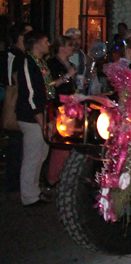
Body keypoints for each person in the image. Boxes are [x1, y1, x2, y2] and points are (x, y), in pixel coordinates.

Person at [16, 31, 52, 206]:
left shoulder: (40, 63)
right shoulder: (27, 62)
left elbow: (46, 88)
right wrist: (41, 120)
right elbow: (31, 94)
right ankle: (29, 196)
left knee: (41, 154)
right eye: (45, 41)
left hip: (42, 114)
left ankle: (34, 190)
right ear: (36, 43)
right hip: (32, 117)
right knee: (32, 156)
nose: (48, 44)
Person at [2, 22, 31, 196]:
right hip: (13, 101)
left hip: (18, 101)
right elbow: (11, 80)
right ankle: (12, 181)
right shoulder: (14, 55)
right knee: (15, 140)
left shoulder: (23, 56)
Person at [46, 35, 78, 187]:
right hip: (58, 105)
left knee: (67, 141)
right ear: (61, 47)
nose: (73, 48)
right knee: (60, 143)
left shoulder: (69, 64)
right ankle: (53, 177)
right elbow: (50, 85)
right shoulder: (52, 64)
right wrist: (67, 76)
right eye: (70, 45)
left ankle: (63, 174)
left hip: (69, 106)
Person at [65, 27, 89, 93]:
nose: (76, 42)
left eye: (78, 39)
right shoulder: (62, 57)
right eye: (73, 39)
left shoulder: (86, 59)